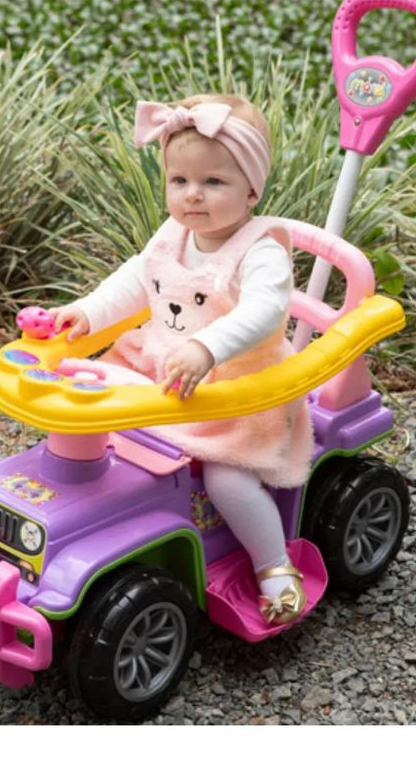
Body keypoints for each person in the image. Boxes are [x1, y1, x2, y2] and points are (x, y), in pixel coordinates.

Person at [49, 94, 314, 625]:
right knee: (91, 404)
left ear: (252, 190)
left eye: (213, 181)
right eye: (179, 180)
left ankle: (273, 565)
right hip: (162, 364)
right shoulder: (173, 235)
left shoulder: (259, 249)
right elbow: (135, 280)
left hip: (232, 387)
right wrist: (88, 312)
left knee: (227, 479)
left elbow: (264, 311)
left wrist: (207, 345)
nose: (193, 194)